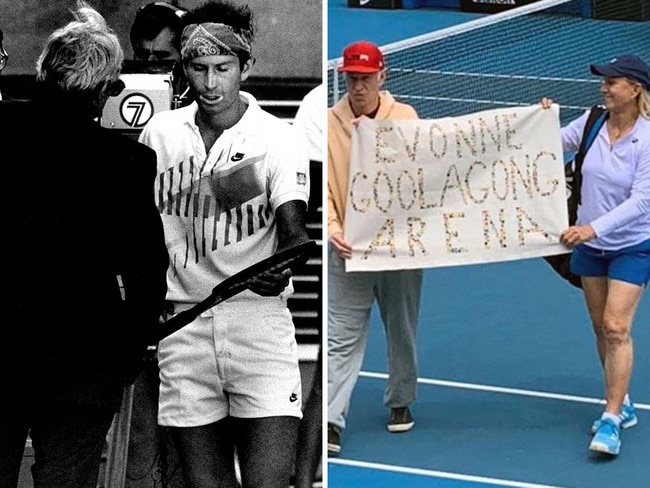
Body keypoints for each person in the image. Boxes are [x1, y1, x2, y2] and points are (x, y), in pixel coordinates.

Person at [138, 1, 311, 487]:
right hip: (183, 328)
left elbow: (293, 227)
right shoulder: (159, 135)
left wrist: (284, 260)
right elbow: (141, 233)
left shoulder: (280, 137)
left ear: (245, 66)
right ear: (183, 69)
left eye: (223, 68)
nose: (211, 84)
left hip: (258, 327)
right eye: (198, 68)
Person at [0, 2, 169, 487]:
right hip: (84, 362)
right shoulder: (126, 162)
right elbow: (146, 272)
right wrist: (128, 351)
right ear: (102, 89)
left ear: (43, 70)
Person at [541, 55, 650, 456]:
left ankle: (611, 418)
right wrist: (542, 119)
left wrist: (592, 228)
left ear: (635, 89)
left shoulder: (648, 140)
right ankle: (622, 401)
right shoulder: (591, 123)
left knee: (616, 326)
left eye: (613, 82)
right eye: (603, 82)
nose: (604, 87)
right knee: (600, 327)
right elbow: (548, 145)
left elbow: (642, 202)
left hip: (632, 245)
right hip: (591, 247)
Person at [327, 40, 423, 456]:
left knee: (401, 330)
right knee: (341, 337)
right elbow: (327, 186)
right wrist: (333, 229)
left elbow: (422, 177)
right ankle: (331, 420)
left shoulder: (406, 118)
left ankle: (400, 401)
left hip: (398, 252)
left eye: (365, 78)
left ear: (382, 77)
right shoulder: (329, 122)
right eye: (351, 78)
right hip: (345, 250)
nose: (358, 87)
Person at [291, 83, 324, 488]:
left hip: (390, 248)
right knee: (324, 369)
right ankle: (302, 481)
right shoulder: (317, 104)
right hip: (338, 251)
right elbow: (309, 194)